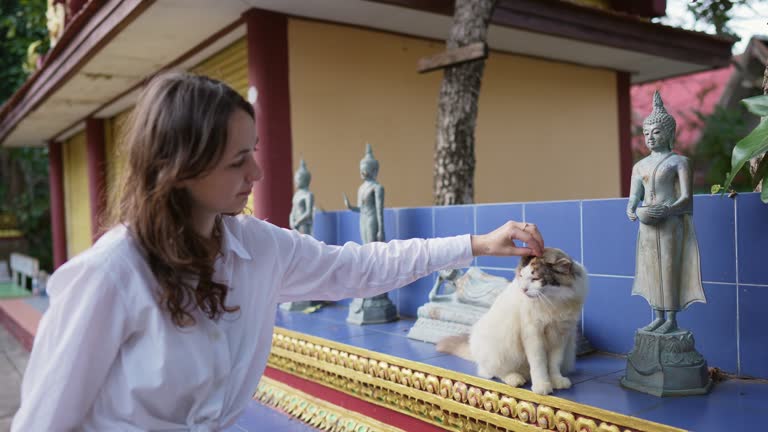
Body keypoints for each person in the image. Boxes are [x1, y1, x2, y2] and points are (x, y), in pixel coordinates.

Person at [12, 72, 544, 431]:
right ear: (181, 168)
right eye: (237, 161)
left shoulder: (253, 247)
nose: (257, 174)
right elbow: (43, 420)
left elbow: (357, 267)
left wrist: (476, 244)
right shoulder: (111, 275)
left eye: (256, 153)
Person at [626, 90, 705, 334]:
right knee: (651, 269)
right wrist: (631, 209)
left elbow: (686, 198)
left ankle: (671, 318)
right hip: (647, 223)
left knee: (669, 267)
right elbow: (634, 196)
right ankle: (657, 315)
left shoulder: (679, 162)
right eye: (646, 133)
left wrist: (667, 210)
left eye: (656, 131)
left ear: (670, 133)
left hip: (670, 223)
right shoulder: (640, 166)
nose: (650, 137)